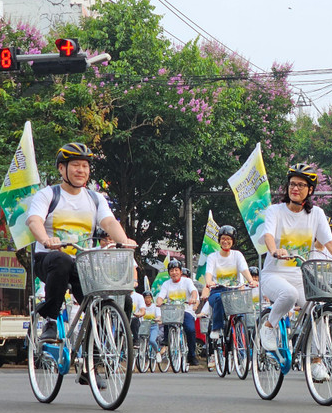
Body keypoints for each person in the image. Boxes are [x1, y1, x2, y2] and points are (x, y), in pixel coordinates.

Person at [26, 142, 137, 387]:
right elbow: (34, 220)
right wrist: (46, 239)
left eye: (85, 166)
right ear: (62, 169)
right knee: (63, 260)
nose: (81, 170)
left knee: (120, 301)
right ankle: (51, 320)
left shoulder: (95, 199)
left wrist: (124, 240)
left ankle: (94, 362)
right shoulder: (48, 195)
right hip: (49, 259)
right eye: (75, 165)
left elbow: (109, 222)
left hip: (83, 266)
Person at [258, 163, 332, 382]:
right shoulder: (275, 211)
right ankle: (269, 326)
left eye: (300, 185)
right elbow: (268, 234)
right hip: (273, 274)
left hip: (300, 276)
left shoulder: (316, 214)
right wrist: (274, 250)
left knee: (317, 310)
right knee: (287, 295)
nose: (295, 188)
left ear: (310, 190)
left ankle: (317, 362)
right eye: (292, 184)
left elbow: (328, 241)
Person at [205, 224, 258, 368]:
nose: (225, 241)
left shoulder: (237, 255)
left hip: (235, 291)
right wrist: (209, 282)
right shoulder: (213, 257)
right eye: (223, 239)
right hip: (217, 291)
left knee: (240, 322)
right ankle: (216, 328)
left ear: (233, 241)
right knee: (218, 299)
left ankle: (242, 356)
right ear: (219, 240)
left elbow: (244, 270)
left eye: (228, 239)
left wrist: (251, 281)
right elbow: (208, 273)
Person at [156, 260, 201, 366]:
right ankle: (167, 341)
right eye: (171, 270)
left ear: (180, 272)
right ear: (169, 273)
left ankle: (191, 354)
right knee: (166, 318)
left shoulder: (187, 282)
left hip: (186, 310)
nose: (174, 272)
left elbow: (193, 291)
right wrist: (159, 301)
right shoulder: (166, 284)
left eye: (176, 270)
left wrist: (193, 298)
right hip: (172, 312)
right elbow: (160, 297)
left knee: (190, 330)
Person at [141, 290, 162, 363]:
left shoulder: (155, 306)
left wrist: (156, 319)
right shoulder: (142, 307)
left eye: (149, 297)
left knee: (152, 340)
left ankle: (157, 352)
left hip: (153, 326)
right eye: (146, 298)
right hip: (144, 326)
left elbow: (158, 316)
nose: (147, 299)